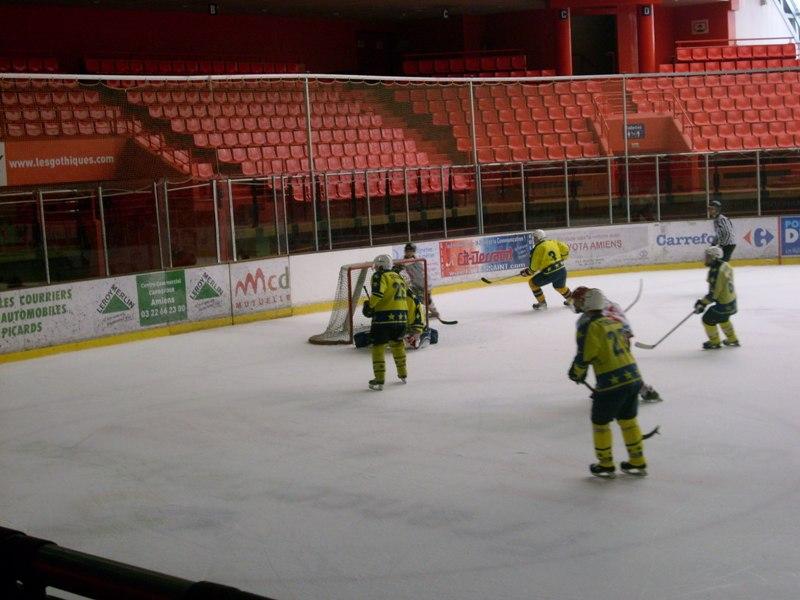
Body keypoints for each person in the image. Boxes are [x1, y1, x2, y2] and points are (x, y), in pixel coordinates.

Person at [568, 288, 648, 478]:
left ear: (586, 304)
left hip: (612, 384)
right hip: (634, 377)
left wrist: (576, 373)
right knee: (628, 421)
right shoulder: (615, 321)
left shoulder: (588, 326)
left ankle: (605, 464)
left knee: (600, 422)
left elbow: (586, 354)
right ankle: (637, 461)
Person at [571, 286, 661, 403]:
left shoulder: (585, 319)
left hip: (606, 340)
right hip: (624, 338)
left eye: (577, 301)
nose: (575, 305)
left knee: (603, 364)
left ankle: (605, 388)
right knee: (624, 364)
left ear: (585, 300)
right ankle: (644, 389)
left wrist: (579, 370)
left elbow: (586, 349)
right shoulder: (611, 304)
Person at [362, 254, 409, 390]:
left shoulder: (379, 275)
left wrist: (370, 307)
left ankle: (379, 379)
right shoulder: (398, 276)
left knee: (378, 347)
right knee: (398, 344)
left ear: (381, 265)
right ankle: (403, 373)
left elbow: (377, 295)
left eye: (376, 266)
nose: (375, 268)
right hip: (402, 319)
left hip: (383, 320)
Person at [694, 246, 739, 350]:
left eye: (708, 257)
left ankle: (714, 342)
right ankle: (732, 339)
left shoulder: (716, 271)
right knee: (723, 319)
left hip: (723, 305)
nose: (706, 258)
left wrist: (702, 303)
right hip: (732, 303)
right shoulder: (725, 265)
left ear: (715, 258)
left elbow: (714, 294)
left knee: (707, 319)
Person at [520, 229, 572, 310]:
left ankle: (542, 303)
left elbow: (533, 267)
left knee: (532, 283)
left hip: (550, 273)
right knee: (560, 287)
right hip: (562, 270)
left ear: (538, 238)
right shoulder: (553, 242)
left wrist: (526, 272)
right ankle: (572, 300)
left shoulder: (538, 248)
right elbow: (565, 248)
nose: (534, 240)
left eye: (534, 238)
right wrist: (563, 258)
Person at [400, 242, 439, 319]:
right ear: (405, 251)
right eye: (407, 250)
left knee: (427, 299)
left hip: (422, 285)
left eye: (411, 250)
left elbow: (425, 274)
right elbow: (404, 274)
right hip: (412, 287)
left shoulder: (419, 261)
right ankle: (420, 314)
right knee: (416, 302)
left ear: (414, 251)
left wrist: (428, 287)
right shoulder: (402, 263)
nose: (409, 252)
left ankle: (434, 312)